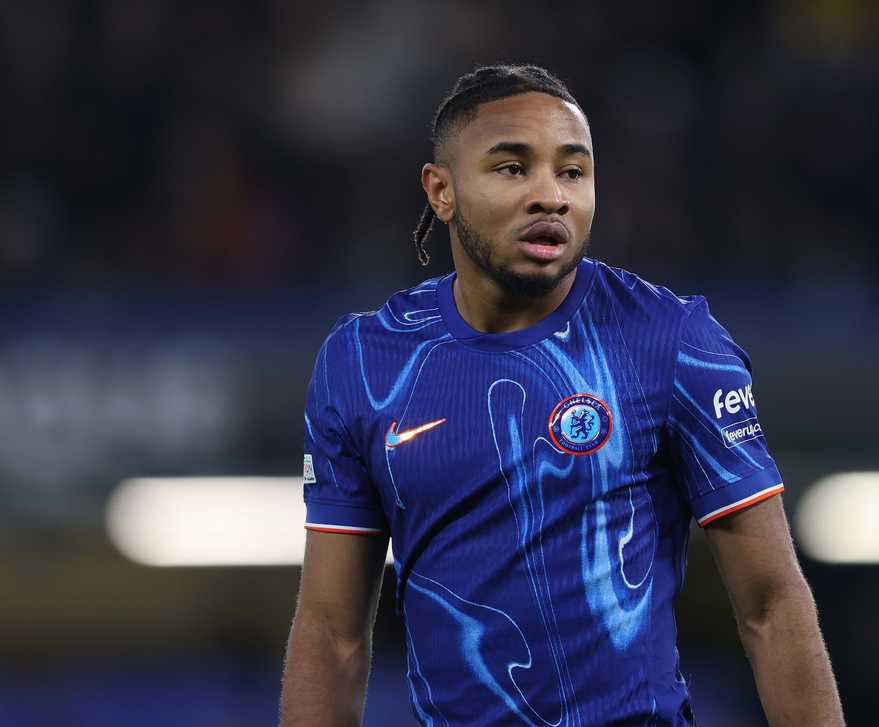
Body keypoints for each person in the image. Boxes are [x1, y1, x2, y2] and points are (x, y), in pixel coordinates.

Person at [280, 64, 844, 727]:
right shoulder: (363, 364)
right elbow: (331, 630)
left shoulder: (671, 341)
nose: (551, 195)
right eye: (512, 169)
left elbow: (772, 605)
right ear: (441, 190)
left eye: (572, 172)